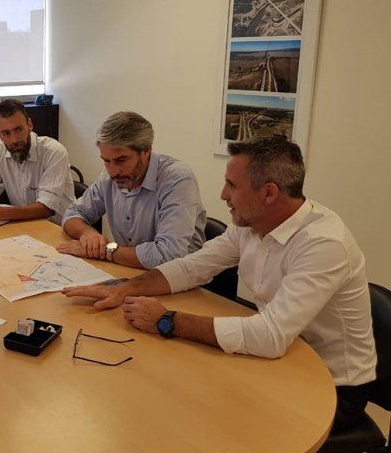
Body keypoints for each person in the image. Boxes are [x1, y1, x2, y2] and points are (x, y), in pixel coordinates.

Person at [63, 136, 377, 433]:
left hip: (332, 388)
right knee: (169, 395)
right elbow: (192, 267)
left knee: (204, 422)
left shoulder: (323, 243)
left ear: (268, 193)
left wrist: (166, 320)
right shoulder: (251, 224)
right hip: (282, 359)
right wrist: (123, 288)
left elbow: (270, 336)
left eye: (232, 185)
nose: (223, 195)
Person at [57, 111, 206, 269]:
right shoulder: (109, 176)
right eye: (106, 161)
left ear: (146, 151)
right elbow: (73, 212)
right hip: (131, 269)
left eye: (121, 160)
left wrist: (106, 251)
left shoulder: (177, 179)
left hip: (182, 276)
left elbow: (167, 255)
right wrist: (87, 233)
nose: (113, 171)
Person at [0, 98, 75, 225]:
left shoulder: (54, 151)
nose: (14, 140)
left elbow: (46, 208)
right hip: (24, 226)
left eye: (19, 130)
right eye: (6, 133)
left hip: (61, 227)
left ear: (29, 125)